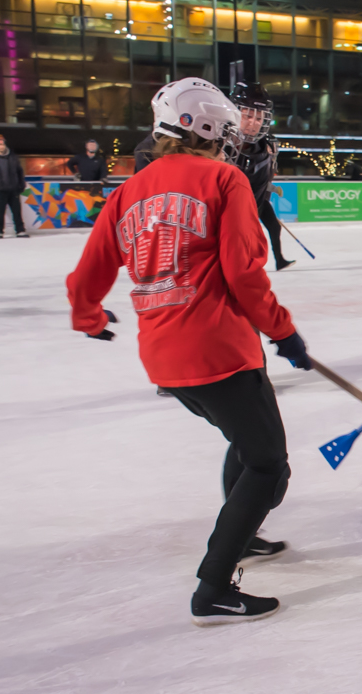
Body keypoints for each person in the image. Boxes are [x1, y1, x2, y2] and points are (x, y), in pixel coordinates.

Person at [66, 77, 311, 626]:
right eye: (225, 132)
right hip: (220, 351)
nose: (230, 141)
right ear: (209, 129)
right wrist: (283, 332)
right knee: (268, 467)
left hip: (163, 359)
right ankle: (214, 586)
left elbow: (86, 276)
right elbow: (245, 276)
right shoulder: (225, 179)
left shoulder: (128, 191)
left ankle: (241, 534)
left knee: (247, 446)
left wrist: (89, 317)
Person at [229, 82, 293, 271]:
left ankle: (279, 260)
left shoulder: (266, 148)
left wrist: (272, 189)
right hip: (233, 214)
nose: (253, 123)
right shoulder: (218, 146)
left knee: (274, 227)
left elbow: (262, 179)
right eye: (247, 116)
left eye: (259, 118)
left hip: (257, 203)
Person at [0, 134, 27, 239]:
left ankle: (20, 230)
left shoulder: (13, 156)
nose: (1, 146)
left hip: (13, 188)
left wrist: (21, 184)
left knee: (17, 211)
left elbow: (19, 171)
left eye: (3, 144)